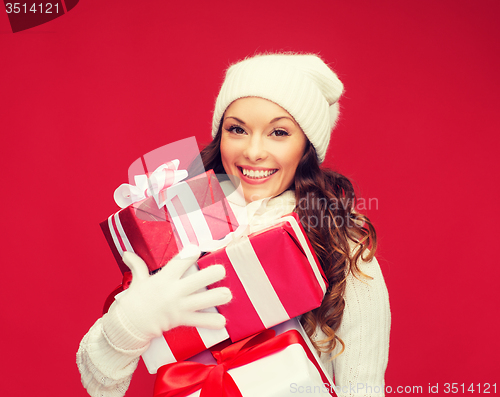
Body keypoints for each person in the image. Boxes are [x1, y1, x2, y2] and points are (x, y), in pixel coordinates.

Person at [77, 52, 391, 397]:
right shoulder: (181, 219)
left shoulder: (339, 245)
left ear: (306, 147)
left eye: (279, 132)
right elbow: (99, 382)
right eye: (237, 129)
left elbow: (363, 389)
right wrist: (130, 324)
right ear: (221, 134)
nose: (253, 152)